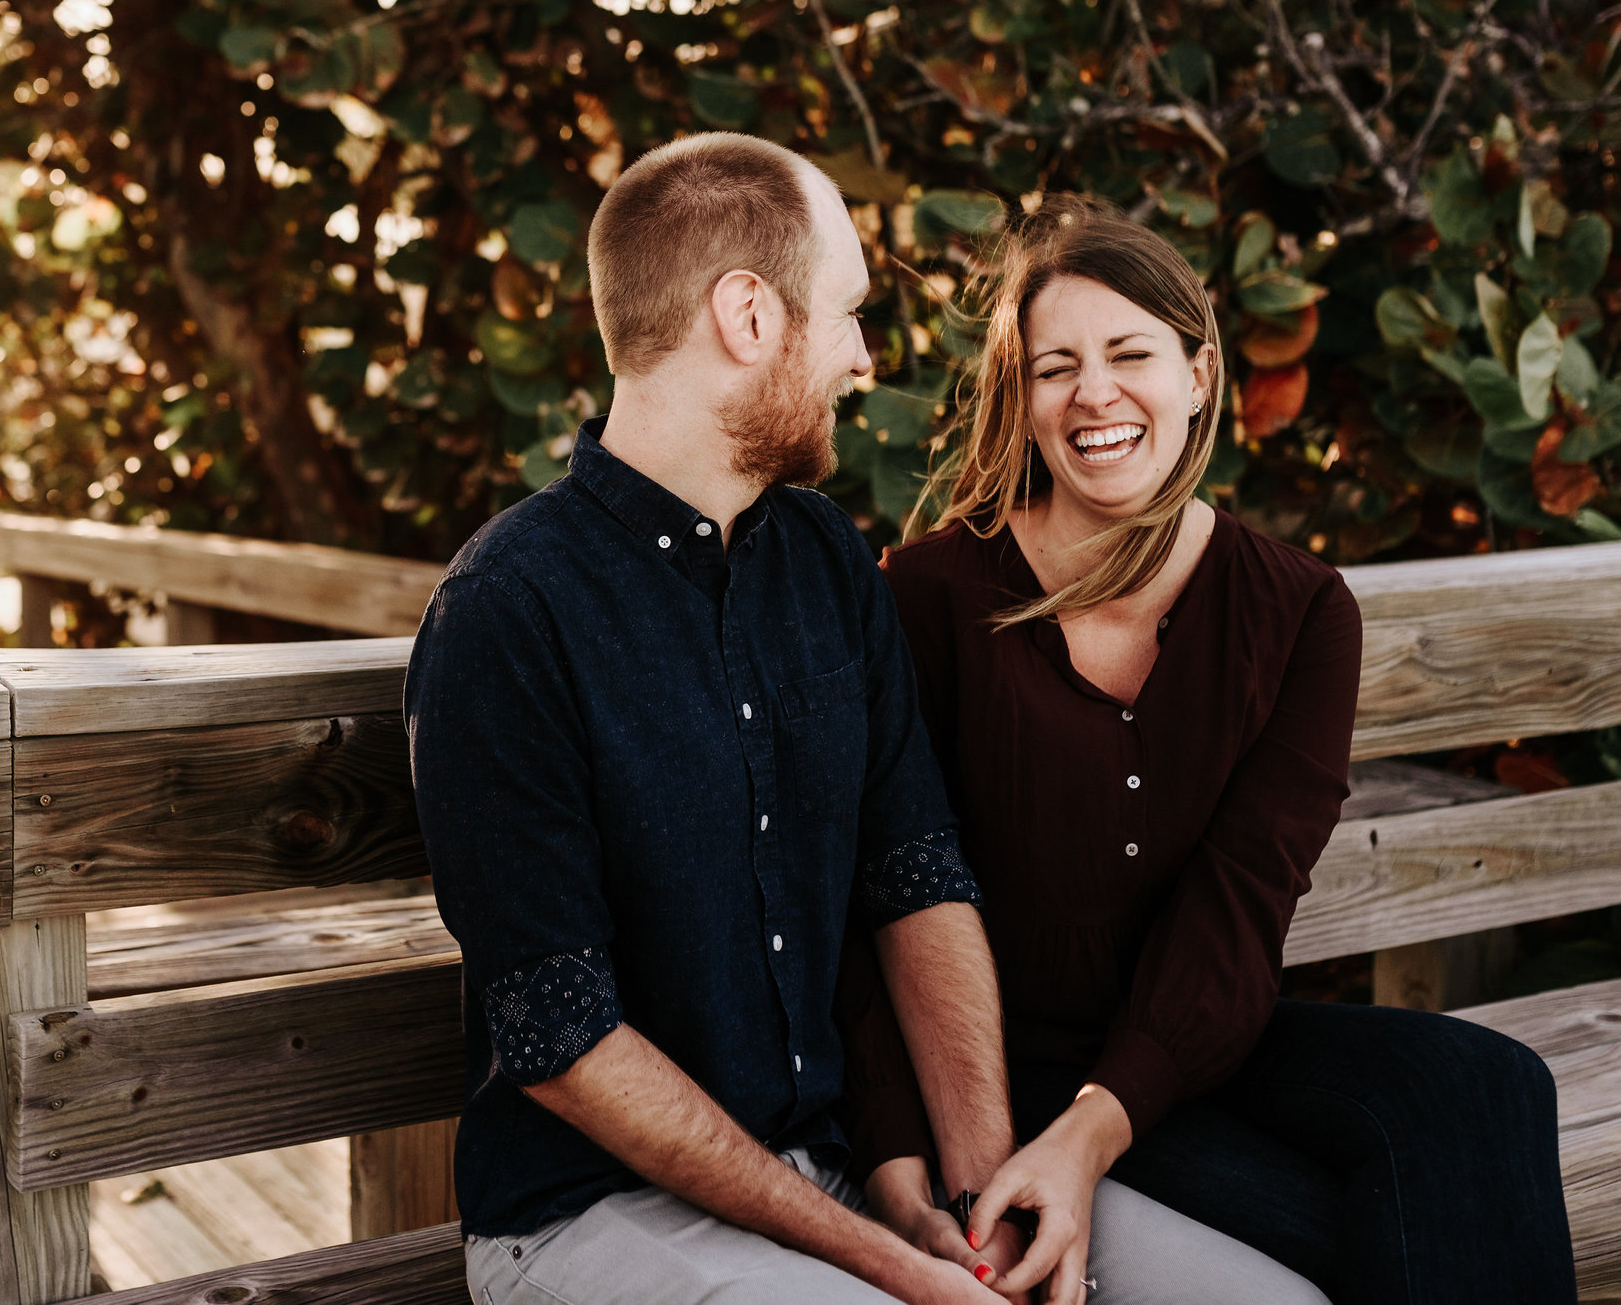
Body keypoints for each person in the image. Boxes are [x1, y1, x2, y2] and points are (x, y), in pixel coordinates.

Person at [407, 137, 1298, 1305]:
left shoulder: (824, 561)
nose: (864, 359)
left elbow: (915, 877)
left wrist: (984, 1210)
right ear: (748, 316)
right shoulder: (508, 613)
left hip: (844, 1177)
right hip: (593, 1216)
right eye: (845, 314)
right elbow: (562, 1039)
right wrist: (881, 1261)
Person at [840, 197, 1578, 1305]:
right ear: (1021, 397)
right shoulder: (933, 594)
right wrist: (907, 1157)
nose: (1094, 392)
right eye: (1055, 367)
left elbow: (1242, 901)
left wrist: (1094, 1134)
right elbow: (869, 893)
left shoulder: (1299, 610)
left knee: (1487, 1086)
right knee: (1392, 1239)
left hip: (1192, 1045)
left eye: (1130, 352)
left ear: (1197, 373)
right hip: (1002, 1072)